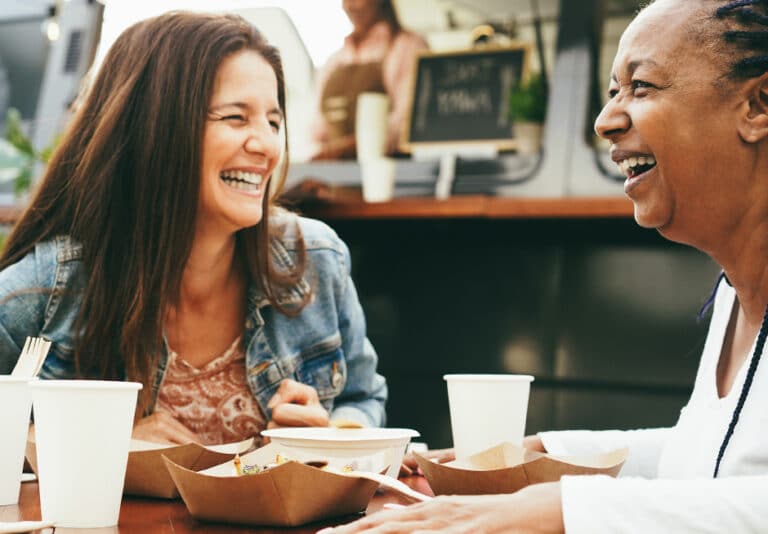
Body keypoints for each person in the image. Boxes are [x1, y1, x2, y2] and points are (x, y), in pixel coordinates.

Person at [322, 0, 768, 531]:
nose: (606, 120)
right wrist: (537, 458)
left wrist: (552, 510)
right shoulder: (731, 299)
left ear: (759, 105)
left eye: (641, 86)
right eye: (610, 93)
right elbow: (709, 460)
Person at [0, 11, 387, 446]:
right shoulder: (44, 292)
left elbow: (364, 397)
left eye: (274, 122)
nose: (266, 145)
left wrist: (332, 435)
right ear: (156, 128)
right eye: (235, 118)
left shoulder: (315, 259)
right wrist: (101, 445)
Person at [309, 0, 428, 160]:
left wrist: (353, 146)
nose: (348, 6)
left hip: (390, 177)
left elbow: (408, 124)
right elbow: (316, 131)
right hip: (334, 179)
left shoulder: (408, 47)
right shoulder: (334, 61)